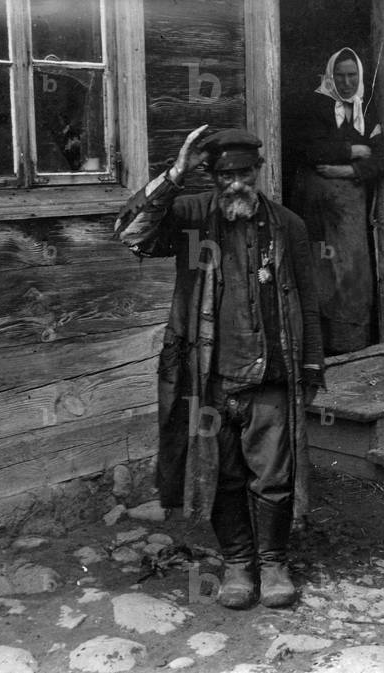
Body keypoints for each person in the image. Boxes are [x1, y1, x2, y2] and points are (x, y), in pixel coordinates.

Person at [114, 126, 325, 610]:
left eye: (245, 172)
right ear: (210, 176)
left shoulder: (288, 225)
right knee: (224, 475)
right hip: (208, 376)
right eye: (225, 174)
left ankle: (273, 563)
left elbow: (309, 301)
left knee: (273, 474)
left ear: (258, 171)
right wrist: (173, 175)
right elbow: (130, 233)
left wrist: (311, 366)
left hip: (272, 375)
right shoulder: (190, 218)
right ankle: (237, 562)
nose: (236, 183)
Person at [298, 47, 384, 354]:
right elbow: (311, 151)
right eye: (340, 75)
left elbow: (380, 159)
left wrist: (346, 168)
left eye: (352, 76)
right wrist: (354, 149)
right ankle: (322, 349)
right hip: (319, 206)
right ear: (330, 76)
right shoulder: (315, 105)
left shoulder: (367, 108)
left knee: (353, 273)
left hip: (351, 206)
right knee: (323, 270)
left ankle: (352, 346)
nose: (347, 82)